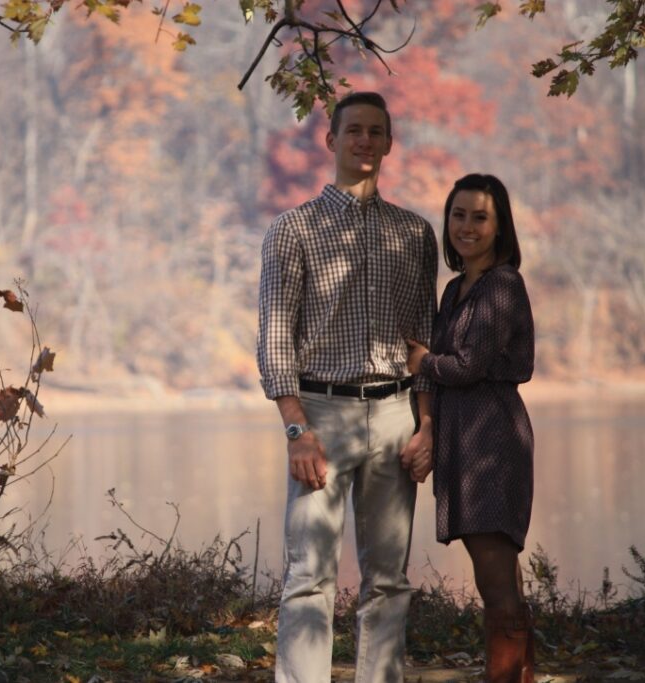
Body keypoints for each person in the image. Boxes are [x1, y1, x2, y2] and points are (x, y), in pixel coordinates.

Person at [256, 91, 437, 683]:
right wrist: (296, 429)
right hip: (320, 414)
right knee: (308, 575)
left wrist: (427, 425)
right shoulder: (293, 230)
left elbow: (423, 341)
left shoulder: (413, 234)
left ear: (388, 143)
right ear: (331, 141)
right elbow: (276, 341)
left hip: (394, 416)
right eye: (353, 130)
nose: (364, 140)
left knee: (389, 579)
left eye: (375, 131)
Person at [406, 173, 536, 683]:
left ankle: (502, 677)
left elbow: (468, 365)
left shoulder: (502, 284)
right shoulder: (458, 288)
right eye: (458, 215)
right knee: (498, 571)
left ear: (500, 226)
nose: (466, 226)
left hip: (492, 440)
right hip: (464, 437)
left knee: (494, 571)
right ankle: (517, 676)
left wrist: (422, 361)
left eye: (479, 217)